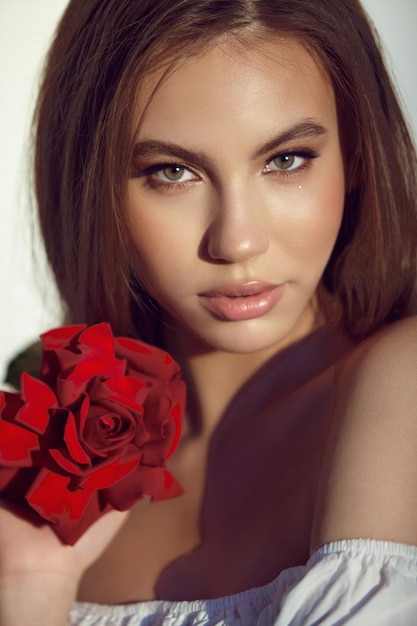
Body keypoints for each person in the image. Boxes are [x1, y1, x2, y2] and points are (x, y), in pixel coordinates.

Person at [1, 0, 417, 624]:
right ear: (94, 185)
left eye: (286, 160)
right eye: (173, 172)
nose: (237, 242)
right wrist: (29, 585)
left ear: (355, 156)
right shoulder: (48, 459)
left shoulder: (400, 383)